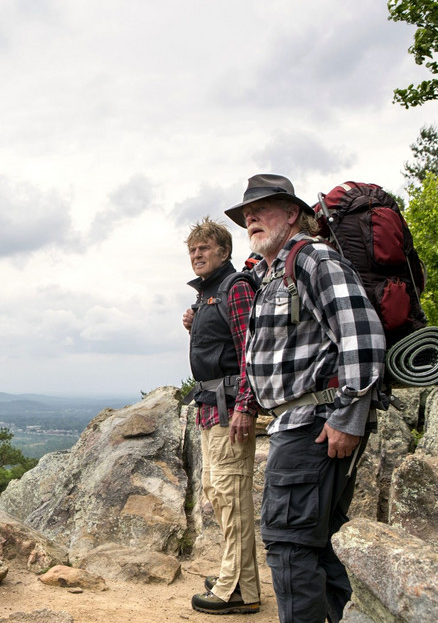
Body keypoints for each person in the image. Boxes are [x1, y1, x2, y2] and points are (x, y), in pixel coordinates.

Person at [224, 174, 385, 623]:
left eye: (263, 209)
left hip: (313, 426)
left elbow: (363, 337)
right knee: (319, 541)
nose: (251, 218)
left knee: (289, 544)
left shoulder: (314, 259)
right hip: (295, 424)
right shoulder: (271, 273)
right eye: (246, 215)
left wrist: (348, 417)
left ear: (293, 214)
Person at [183, 217, 262, 616]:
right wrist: (194, 325)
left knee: (232, 497)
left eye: (204, 248)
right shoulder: (208, 295)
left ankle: (237, 591)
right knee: (218, 493)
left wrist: (247, 406)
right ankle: (241, 581)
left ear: (224, 251)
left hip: (231, 408)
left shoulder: (235, 288)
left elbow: (250, 351)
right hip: (211, 407)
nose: (197, 255)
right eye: (192, 250)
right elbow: (218, 348)